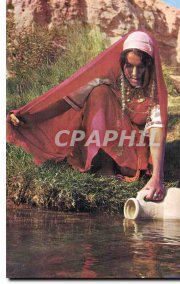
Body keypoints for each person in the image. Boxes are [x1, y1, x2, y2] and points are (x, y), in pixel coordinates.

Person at [7, 30, 168, 201]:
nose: (135, 73)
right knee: (100, 92)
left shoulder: (155, 93)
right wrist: (31, 118)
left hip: (131, 155)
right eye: (130, 66)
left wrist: (157, 176)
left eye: (140, 67)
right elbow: (66, 102)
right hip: (105, 147)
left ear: (149, 65)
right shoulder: (110, 80)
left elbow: (158, 130)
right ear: (122, 64)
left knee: (102, 95)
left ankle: (113, 166)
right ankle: (105, 167)